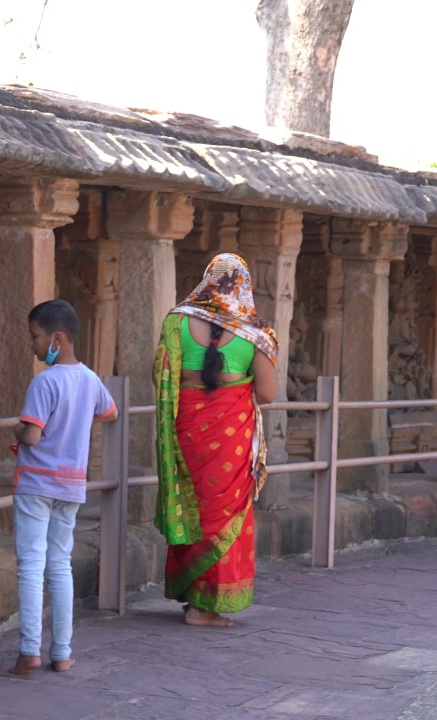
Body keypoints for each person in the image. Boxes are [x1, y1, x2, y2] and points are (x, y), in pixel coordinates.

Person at [153, 253, 278, 628]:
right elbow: (268, 394)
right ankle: (204, 607)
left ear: (207, 279)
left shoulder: (176, 322)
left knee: (190, 508)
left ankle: (192, 596)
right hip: (230, 440)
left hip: (186, 434)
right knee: (223, 517)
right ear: (244, 286)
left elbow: (160, 377)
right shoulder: (255, 333)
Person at [9, 299, 117, 675]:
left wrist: (18, 429)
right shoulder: (90, 379)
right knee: (59, 565)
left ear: (57, 338)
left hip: (36, 483)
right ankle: (62, 652)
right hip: (71, 485)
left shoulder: (44, 381)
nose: (33, 345)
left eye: (35, 337)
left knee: (31, 565)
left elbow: (33, 435)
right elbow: (110, 412)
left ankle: (28, 650)